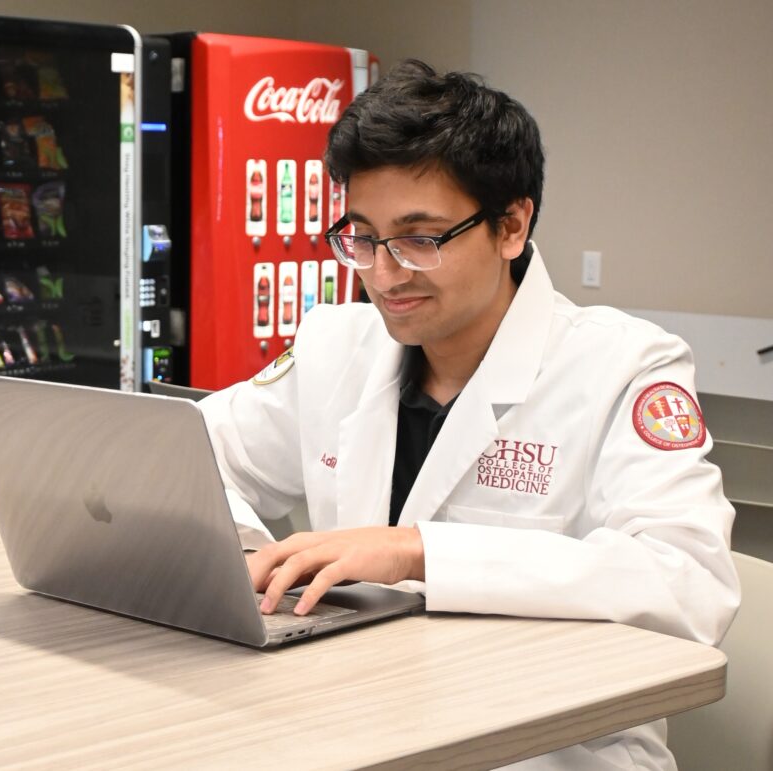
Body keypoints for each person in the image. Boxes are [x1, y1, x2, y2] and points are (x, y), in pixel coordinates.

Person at [199, 59, 739, 769]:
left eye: (420, 238)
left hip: (545, 753)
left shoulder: (625, 365)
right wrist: (242, 552)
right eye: (363, 236)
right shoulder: (337, 343)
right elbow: (191, 452)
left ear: (511, 225)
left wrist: (418, 551)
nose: (384, 274)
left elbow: (689, 583)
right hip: (357, 724)